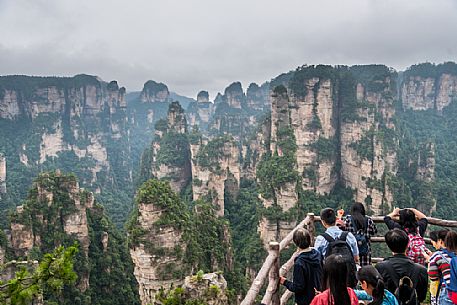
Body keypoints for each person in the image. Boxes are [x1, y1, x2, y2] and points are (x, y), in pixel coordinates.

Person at [375, 229, 428, 304]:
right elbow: (422, 297)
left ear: (388, 246)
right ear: (407, 244)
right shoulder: (421, 270)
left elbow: (377, 293)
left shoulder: (380, 267)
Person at [314, 208, 359, 287]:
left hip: (330, 279)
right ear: (335, 219)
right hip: (347, 278)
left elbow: (317, 261)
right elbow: (356, 258)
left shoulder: (321, 239)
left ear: (323, 222)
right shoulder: (349, 235)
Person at [280, 228, 323, 305]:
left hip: (306, 300)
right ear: (309, 240)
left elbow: (298, 287)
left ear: (295, 242)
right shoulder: (318, 254)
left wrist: (285, 282)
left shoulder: (299, 263)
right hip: (319, 296)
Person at [428, 229, 452, 305]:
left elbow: (433, 277)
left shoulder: (437, 255)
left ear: (440, 241)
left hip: (447, 291)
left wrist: (429, 262)